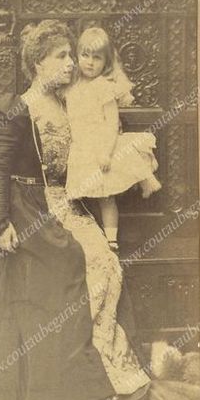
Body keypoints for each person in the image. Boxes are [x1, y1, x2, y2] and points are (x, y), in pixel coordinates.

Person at [0, 20, 151, 400]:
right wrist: (1, 223)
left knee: (105, 258)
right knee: (70, 260)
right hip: (29, 205)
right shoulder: (18, 109)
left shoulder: (70, 101)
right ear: (37, 63)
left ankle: (107, 365)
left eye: (72, 55)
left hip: (65, 201)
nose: (70, 65)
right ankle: (69, 380)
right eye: (61, 57)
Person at [65, 27, 161, 252]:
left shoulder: (103, 87)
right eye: (85, 56)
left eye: (97, 58)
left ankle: (111, 239)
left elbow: (110, 124)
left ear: (106, 62)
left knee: (105, 195)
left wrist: (107, 152)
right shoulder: (73, 86)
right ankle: (84, 234)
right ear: (77, 56)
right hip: (80, 149)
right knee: (80, 194)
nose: (90, 63)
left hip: (99, 147)